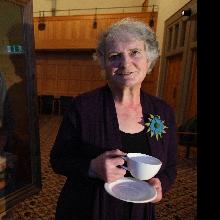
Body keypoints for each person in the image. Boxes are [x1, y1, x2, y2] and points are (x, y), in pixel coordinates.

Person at [50, 18, 178, 220]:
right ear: (104, 63)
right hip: (86, 209)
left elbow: (170, 165)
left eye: (135, 52)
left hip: (139, 213)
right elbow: (58, 160)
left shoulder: (163, 111)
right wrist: (91, 168)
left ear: (149, 58)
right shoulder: (83, 107)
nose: (126, 63)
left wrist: (161, 183)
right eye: (115, 56)